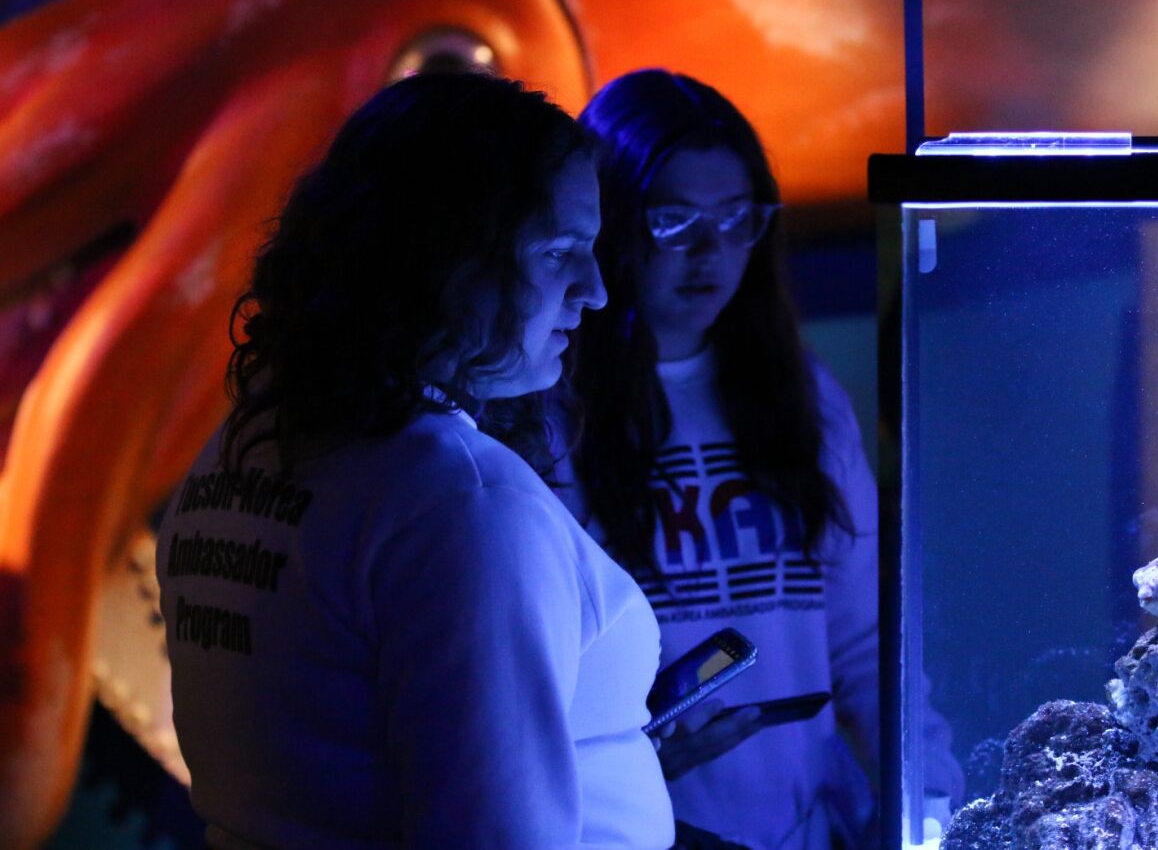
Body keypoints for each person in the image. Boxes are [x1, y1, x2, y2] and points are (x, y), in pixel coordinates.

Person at [155, 72, 675, 848]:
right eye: (561, 251)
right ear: (450, 253)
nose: (595, 291)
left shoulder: (248, 444)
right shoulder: (461, 504)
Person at [558, 69, 964, 847]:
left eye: (738, 218)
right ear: (607, 221)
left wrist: (925, 794)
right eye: (674, 220)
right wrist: (624, 756)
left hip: (808, 824)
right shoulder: (553, 407)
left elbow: (864, 637)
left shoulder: (799, 395)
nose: (711, 251)